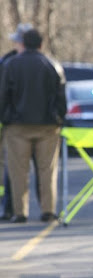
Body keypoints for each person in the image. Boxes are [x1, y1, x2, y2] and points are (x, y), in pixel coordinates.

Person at [0, 29, 67, 223]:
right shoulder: (52, 64)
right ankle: (48, 210)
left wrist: (5, 118)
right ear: (40, 44)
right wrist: (59, 117)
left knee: (18, 171)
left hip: (17, 126)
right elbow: (61, 95)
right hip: (47, 126)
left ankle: (20, 212)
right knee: (48, 170)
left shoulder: (11, 65)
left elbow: (3, 95)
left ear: (23, 43)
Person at [0, 23, 36, 220]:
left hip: (15, 124)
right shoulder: (7, 61)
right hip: (12, 122)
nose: (14, 43)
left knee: (14, 169)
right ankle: (9, 207)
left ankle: (13, 209)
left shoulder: (11, 63)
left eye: (16, 40)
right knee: (10, 169)